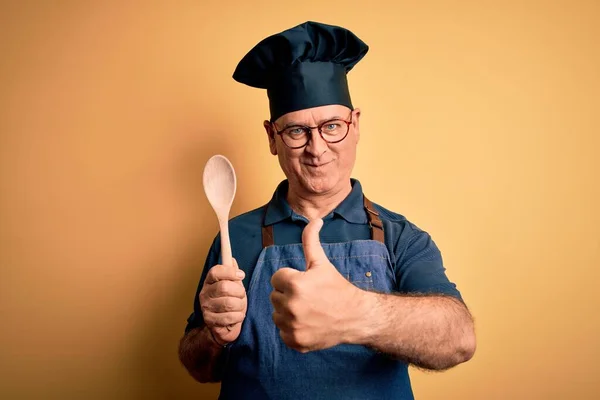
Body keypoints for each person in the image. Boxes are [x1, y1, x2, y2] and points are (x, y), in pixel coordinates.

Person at [178, 21, 476, 400]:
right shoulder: (233, 237)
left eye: (332, 126)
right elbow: (199, 367)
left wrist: (356, 314)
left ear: (355, 125)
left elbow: (458, 339)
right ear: (272, 137)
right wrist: (214, 335)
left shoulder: (401, 237)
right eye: (297, 131)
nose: (317, 149)